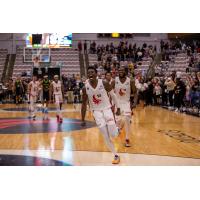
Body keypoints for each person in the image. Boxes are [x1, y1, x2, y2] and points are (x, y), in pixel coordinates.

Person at [81, 66, 121, 164]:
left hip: (107, 109)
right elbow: (83, 104)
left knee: (113, 134)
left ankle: (117, 130)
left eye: (92, 72)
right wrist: (82, 119)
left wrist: (118, 108)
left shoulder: (104, 83)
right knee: (105, 136)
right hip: (96, 112)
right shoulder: (85, 88)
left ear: (96, 73)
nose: (90, 74)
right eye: (89, 72)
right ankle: (116, 155)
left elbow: (113, 95)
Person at [111, 66, 137, 147]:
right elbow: (110, 93)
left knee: (127, 119)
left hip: (126, 103)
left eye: (122, 70)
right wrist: (110, 104)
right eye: (119, 70)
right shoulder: (114, 81)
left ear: (126, 72)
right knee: (118, 121)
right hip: (117, 103)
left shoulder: (131, 81)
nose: (120, 71)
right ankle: (118, 128)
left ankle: (127, 139)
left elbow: (135, 92)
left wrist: (135, 102)